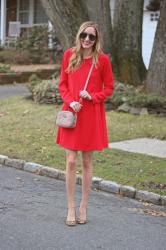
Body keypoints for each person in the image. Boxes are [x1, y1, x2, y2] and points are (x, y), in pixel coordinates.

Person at [56, 21, 114, 226]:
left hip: (90, 115)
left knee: (87, 162)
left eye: (92, 37)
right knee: (71, 161)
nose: (87, 40)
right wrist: (70, 100)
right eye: (84, 35)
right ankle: (70, 207)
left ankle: (83, 206)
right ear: (79, 35)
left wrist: (92, 96)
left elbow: (109, 88)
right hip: (72, 113)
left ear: (96, 40)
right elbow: (62, 84)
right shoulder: (69, 56)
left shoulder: (103, 60)